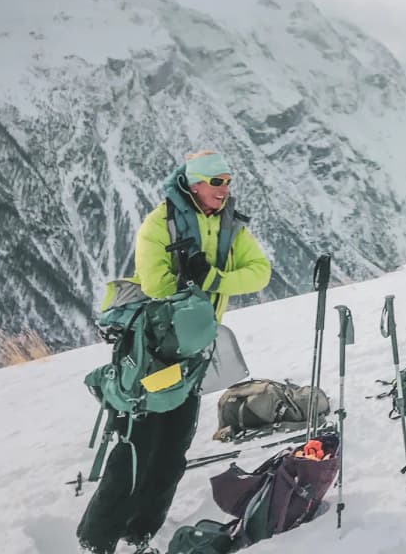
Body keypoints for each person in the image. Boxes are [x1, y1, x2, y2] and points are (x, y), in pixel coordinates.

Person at [77, 151, 271, 554]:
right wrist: (198, 285)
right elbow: (156, 285)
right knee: (139, 445)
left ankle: (140, 532)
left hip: (195, 350)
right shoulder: (159, 224)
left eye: (228, 181)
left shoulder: (230, 225)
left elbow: (260, 272)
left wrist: (212, 276)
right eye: (217, 182)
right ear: (195, 184)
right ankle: (96, 539)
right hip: (154, 349)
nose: (225, 189)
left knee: (173, 450)